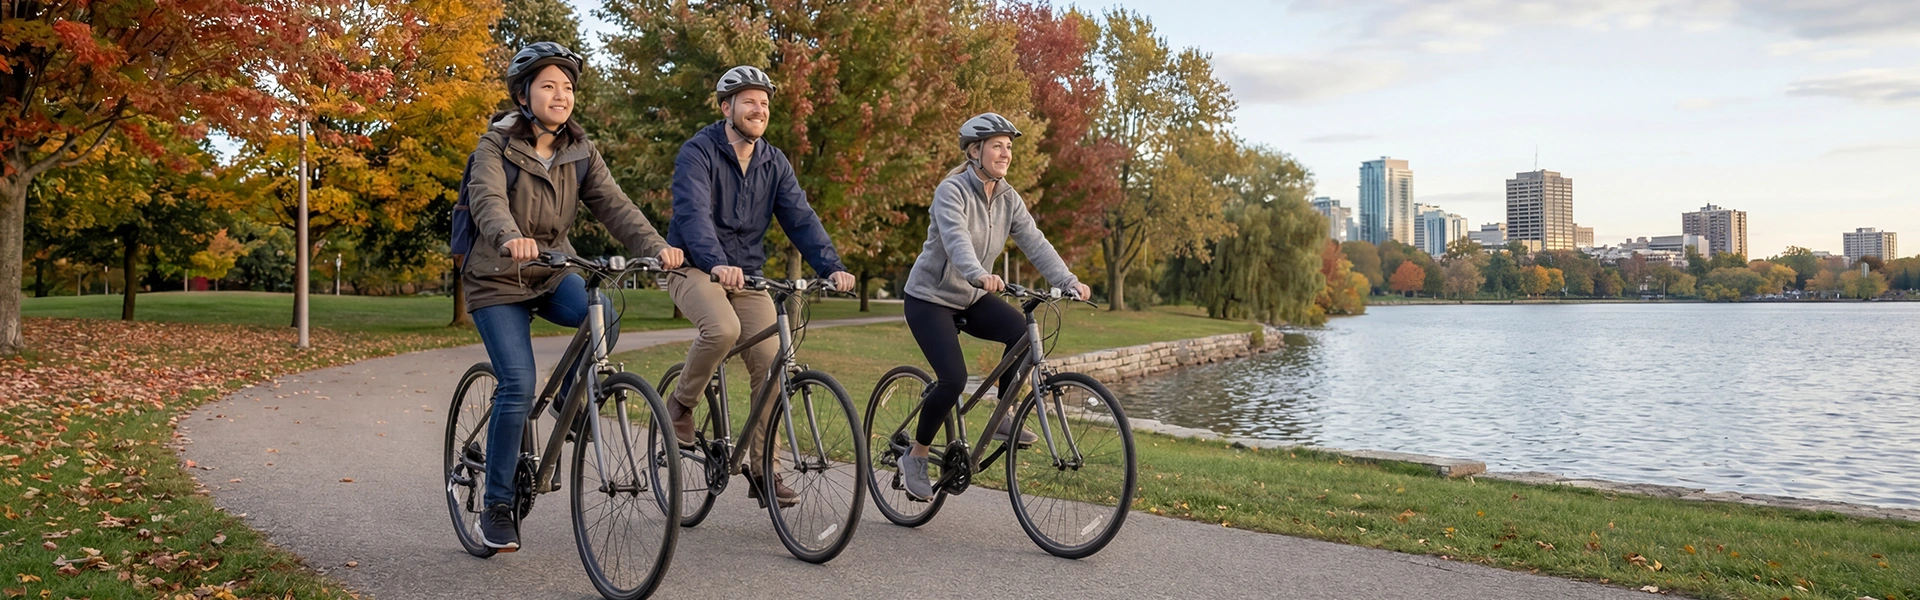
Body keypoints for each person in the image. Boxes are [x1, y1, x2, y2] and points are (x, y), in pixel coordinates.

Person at [464, 42, 685, 552]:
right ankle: (497, 506)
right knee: (517, 384)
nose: (560, 95)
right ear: (523, 94)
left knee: (603, 311)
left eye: (567, 87)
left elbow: (615, 206)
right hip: (498, 277)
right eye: (548, 85)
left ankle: (572, 399)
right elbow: (488, 199)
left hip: (550, 271)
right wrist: (507, 236)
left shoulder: (581, 150)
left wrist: (656, 247)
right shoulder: (493, 145)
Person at [663, 65, 856, 507]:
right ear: (726, 106)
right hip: (693, 268)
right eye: (749, 100)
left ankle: (763, 467)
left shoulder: (774, 161)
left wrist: (832, 267)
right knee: (722, 329)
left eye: (765, 103)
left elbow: (801, 219)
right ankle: (681, 404)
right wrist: (716, 263)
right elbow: (693, 216)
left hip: (747, 277)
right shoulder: (698, 152)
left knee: (774, 364)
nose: (759, 108)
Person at [895, 113, 1091, 501]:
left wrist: (1066, 280)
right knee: (952, 379)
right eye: (997, 146)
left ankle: (1002, 417)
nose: (1005, 153)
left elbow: (1035, 242)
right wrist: (976, 273)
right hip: (930, 298)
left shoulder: (1007, 197)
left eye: (1009, 147)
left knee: (1021, 332)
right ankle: (915, 456)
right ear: (974, 151)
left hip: (971, 295)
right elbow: (956, 240)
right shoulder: (952, 191)